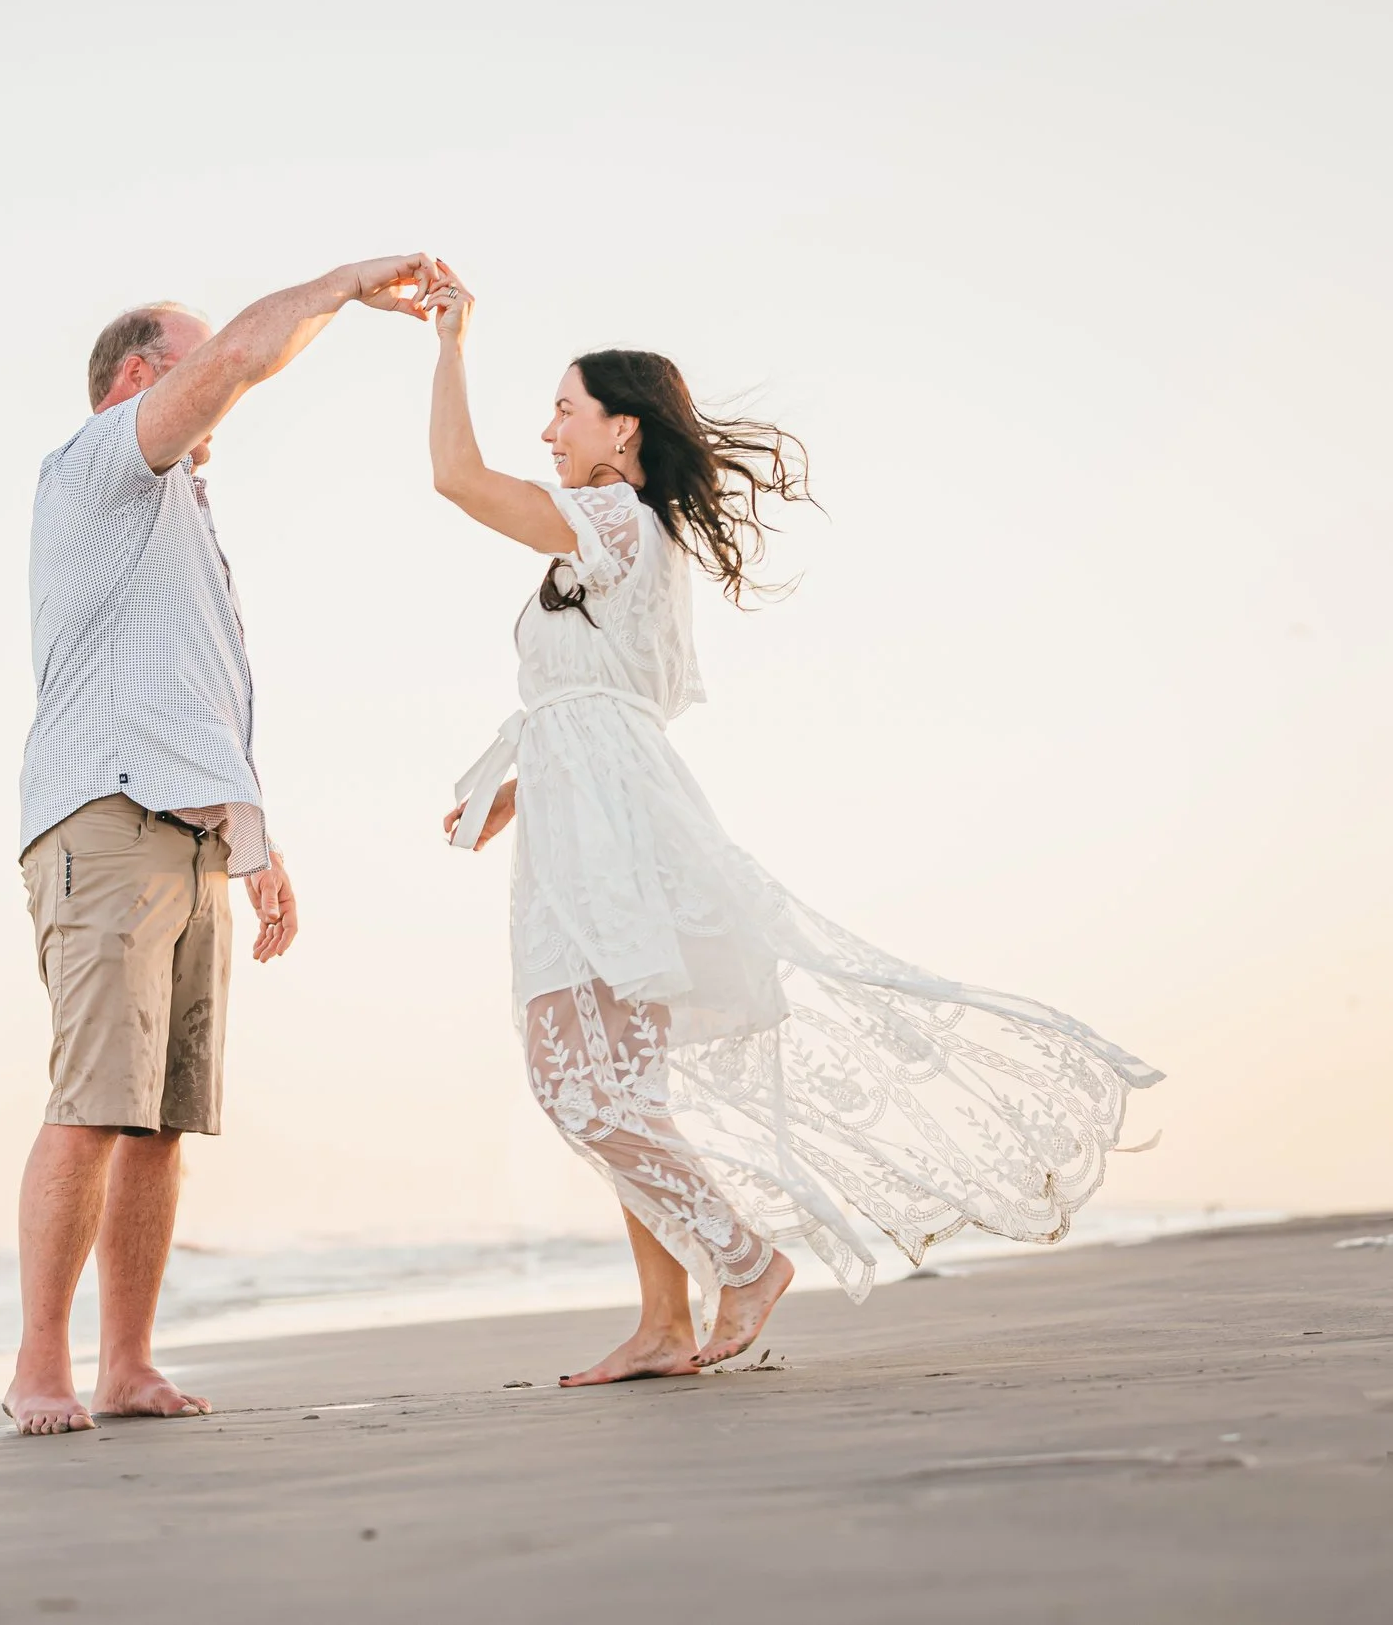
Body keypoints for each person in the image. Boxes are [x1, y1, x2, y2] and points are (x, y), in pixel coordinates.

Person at [419, 264, 1162, 1384]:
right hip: (593, 810)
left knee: (577, 1085)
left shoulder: (613, 517)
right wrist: (528, 777)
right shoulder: (618, 535)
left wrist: (448, 340)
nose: (548, 428)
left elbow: (453, 478)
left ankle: (744, 1256)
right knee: (618, 1089)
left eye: (565, 409)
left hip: (610, 829)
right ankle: (665, 1320)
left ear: (622, 433)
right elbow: (618, 689)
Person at [7, 256, 441, 1435]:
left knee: (161, 1116)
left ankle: (126, 1363)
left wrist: (254, 838)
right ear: (142, 377)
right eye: (191, 362)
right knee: (94, 1101)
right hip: (105, 818)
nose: (222, 388)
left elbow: (189, 700)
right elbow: (246, 352)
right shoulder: (98, 468)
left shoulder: (180, 520)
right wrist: (350, 286)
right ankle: (37, 1364)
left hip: (187, 834)